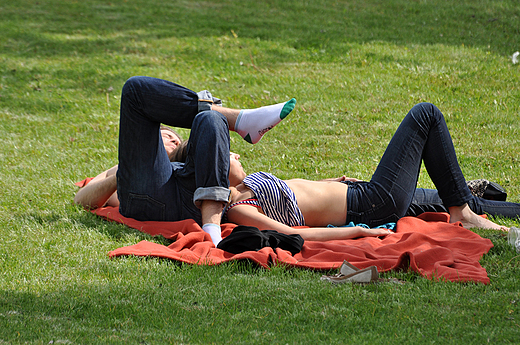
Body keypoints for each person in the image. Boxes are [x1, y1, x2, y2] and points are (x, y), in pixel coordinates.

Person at [222, 103, 512, 241]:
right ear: (219, 169)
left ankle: (467, 206)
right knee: (426, 115)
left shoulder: (247, 185)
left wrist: (328, 183)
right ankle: (463, 213)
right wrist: (360, 232)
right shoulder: (238, 208)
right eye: (228, 154)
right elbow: (290, 233)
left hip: (363, 195)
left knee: (444, 197)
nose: (236, 153)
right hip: (370, 207)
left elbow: (293, 196)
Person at [74, 76, 296, 245]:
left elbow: (238, 180)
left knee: (211, 119)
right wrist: (127, 172)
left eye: (176, 140)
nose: (173, 141)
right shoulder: (125, 167)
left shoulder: (189, 154)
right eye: (167, 136)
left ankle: (212, 232)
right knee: (135, 89)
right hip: (148, 195)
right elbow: (81, 201)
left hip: (192, 201)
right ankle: (240, 120)